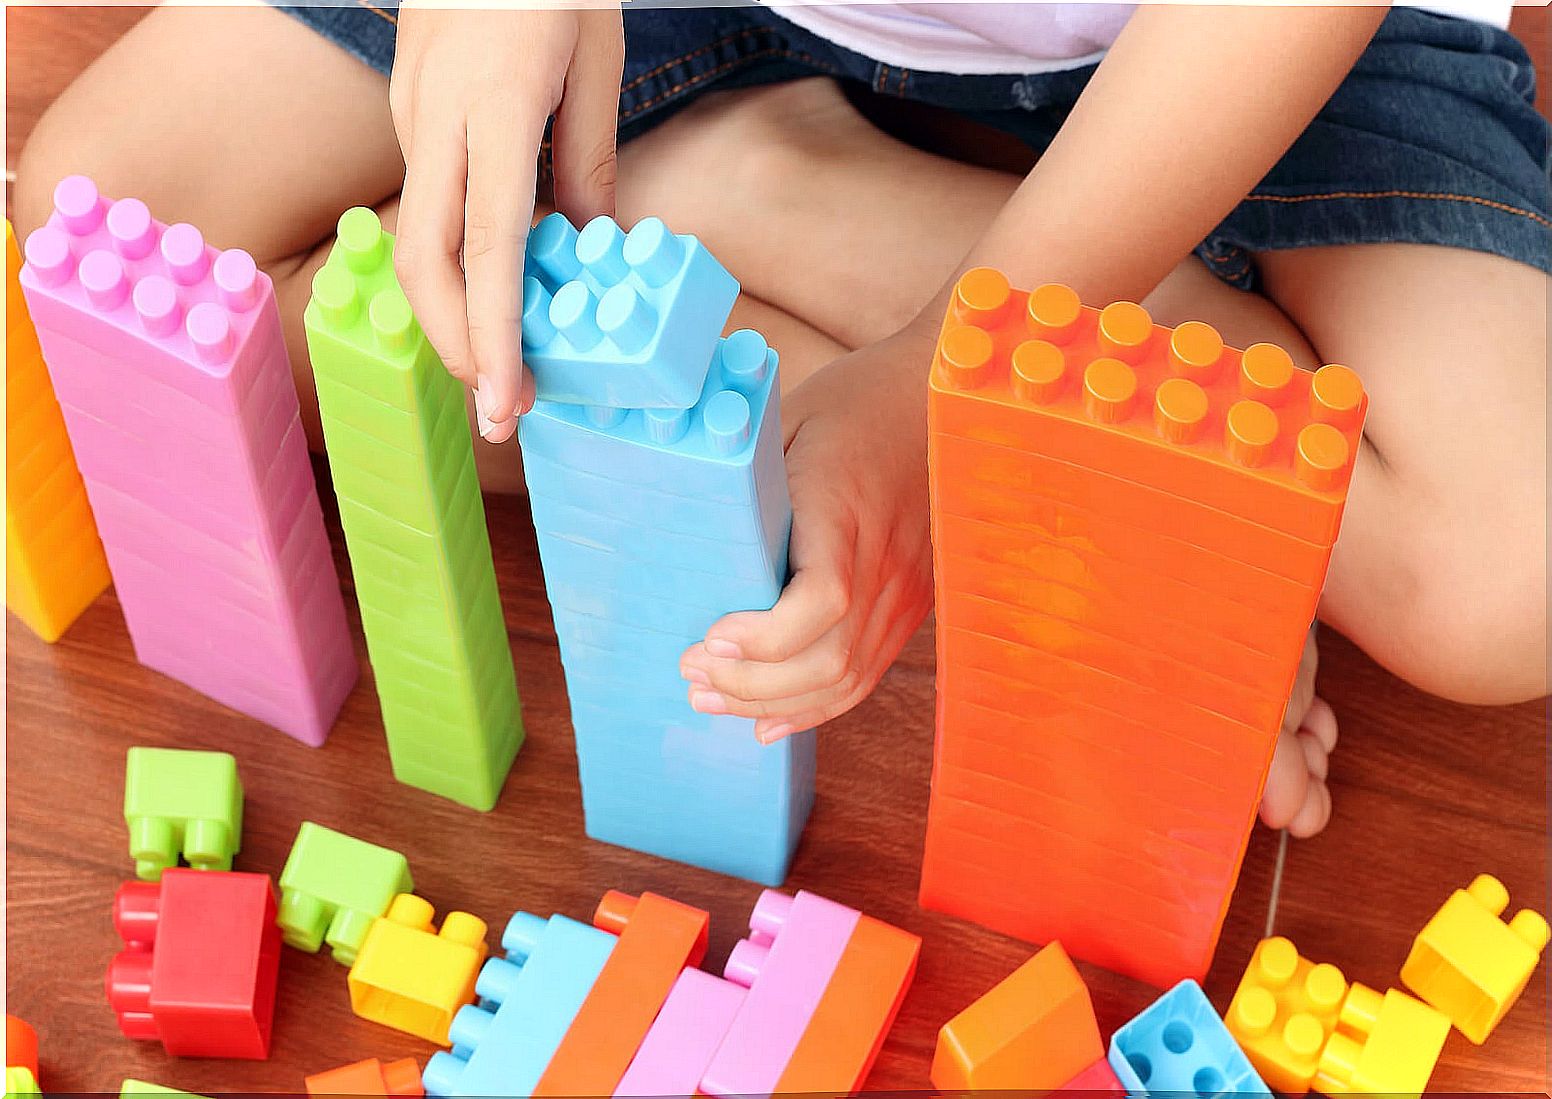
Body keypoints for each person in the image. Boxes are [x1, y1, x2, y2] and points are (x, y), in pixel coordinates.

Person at [18, 1, 1547, 839]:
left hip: (1234, 52)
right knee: (119, 269)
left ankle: (749, 189)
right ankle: (820, 240)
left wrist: (945, 386)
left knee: (1506, 576)